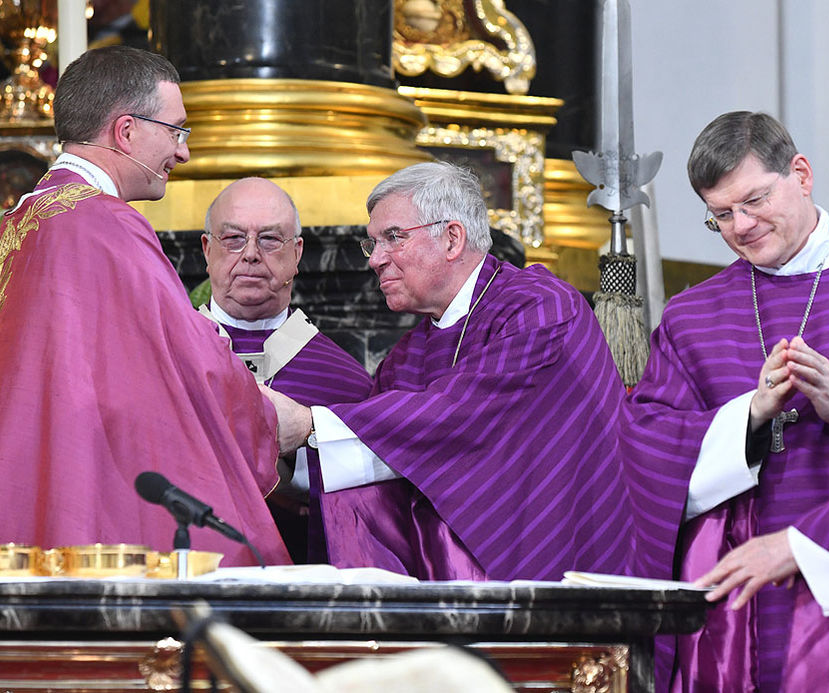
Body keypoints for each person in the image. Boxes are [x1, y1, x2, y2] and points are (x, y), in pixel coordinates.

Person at [618, 111, 829, 691]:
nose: (743, 225)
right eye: (722, 215)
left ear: (801, 175)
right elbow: (646, 448)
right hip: (744, 603)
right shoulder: (691, 318)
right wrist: (749, 418)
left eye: (755, 200)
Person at [261, 160, 633, 581]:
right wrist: (278, 458)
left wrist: (309, 424)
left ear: (452, 238)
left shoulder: (541, 307)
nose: (375, 260)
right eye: (373, 244)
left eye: (392, 238)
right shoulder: (407, 355)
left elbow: (464, 416)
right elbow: (373, 458)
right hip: (444, 586)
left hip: (555, 560)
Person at [0, 46, 291, 566]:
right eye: (175, 131)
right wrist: (268, 418)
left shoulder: (16, 224)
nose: (182, 153)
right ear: (126, 131)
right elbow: (187, 357)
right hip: (83, 492)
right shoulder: (105, 225)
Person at [198, 177, 373, 563]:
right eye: (232, 239)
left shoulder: (345, 382)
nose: (250, 254)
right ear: (207, 250)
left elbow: (366, 507)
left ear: (297, 253)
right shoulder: (166, 356)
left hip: (302, 589)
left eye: (270, 239)